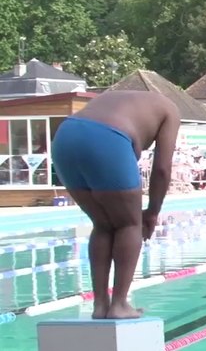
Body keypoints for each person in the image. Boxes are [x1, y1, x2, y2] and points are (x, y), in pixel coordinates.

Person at [50, 90, 181, 319]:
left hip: (66, 134)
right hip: (108, 137)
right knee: (130, 224)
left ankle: (100, 305)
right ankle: (120, 304)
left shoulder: (123, 98)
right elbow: (162, 169)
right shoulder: (170, 109)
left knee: (102, 224)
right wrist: (152, 212)